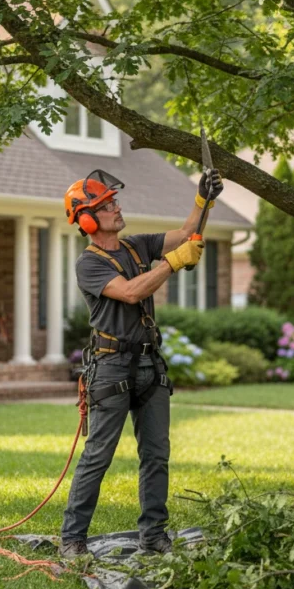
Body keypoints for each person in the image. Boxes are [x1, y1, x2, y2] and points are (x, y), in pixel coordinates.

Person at [58, 167, 224, 558]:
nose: (117, 207)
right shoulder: (90, 264)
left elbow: (185, 235)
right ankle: (73, 539)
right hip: (111, 367)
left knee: (156, 454)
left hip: (150, 366)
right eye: (107, 205)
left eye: (114, 201)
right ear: (87, 219)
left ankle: (154, 536)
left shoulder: (136, 247)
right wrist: (172, 263)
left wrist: (205, 199)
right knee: (98, 455)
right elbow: (131, 293)